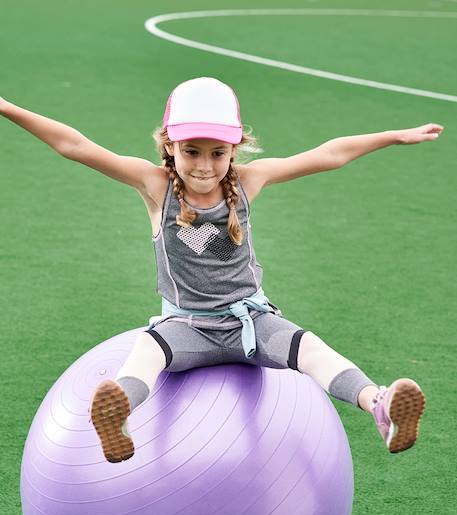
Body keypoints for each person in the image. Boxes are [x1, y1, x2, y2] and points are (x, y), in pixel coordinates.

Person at [1, 77, 443, 463]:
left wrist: (394, 136)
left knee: (311, 350)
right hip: (184, 328)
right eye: (191, 151)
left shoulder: (249, 182)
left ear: (235, 149)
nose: (205, 165)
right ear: (169, 146)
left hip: (252, 323)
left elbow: (329, 154)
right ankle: (119, 418)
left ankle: (379, 405)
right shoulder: (155, 186)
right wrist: (6, 106)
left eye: (218, 152)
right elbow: (74, 146)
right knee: (146, 352)